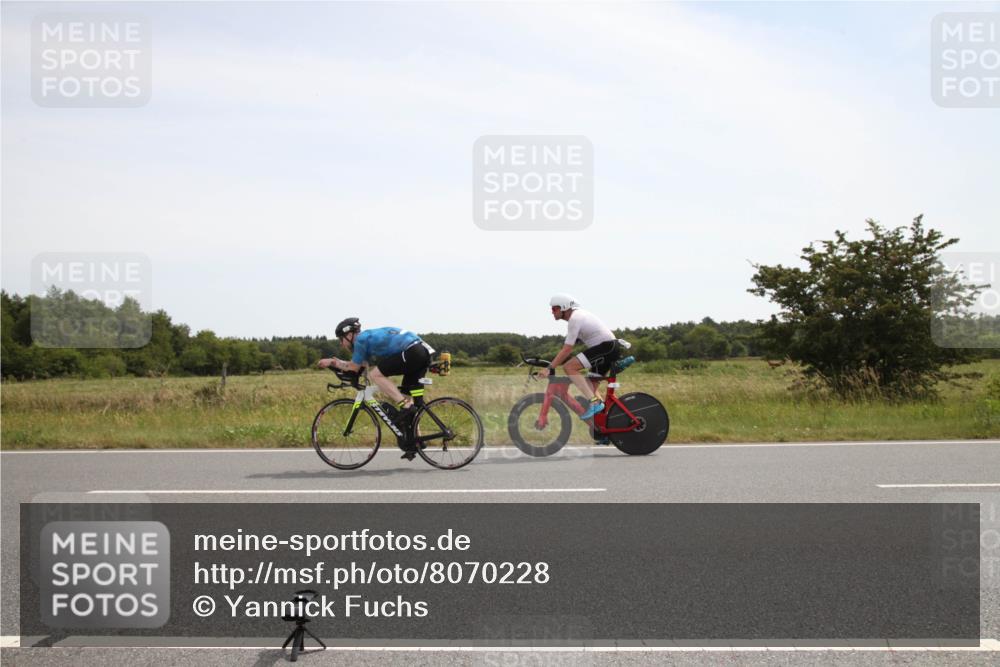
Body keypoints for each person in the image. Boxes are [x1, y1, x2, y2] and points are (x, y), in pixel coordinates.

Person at [317, 318, 434, 460]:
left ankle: (406, 406)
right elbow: (360, 366)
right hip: (421, 352)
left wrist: (332, 362)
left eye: (341, 339)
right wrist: (342, 367)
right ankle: (415, 440)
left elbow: (353, 367)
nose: (341, 344)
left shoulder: (360, 340)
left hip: (413, 351)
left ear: (350, 335)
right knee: (406, 400)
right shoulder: (366, 339)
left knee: (376, 375)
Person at [543, 294, 620, 422]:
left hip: (606, 348)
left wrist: (549, 368)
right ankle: (606, 423)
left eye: (554, 309)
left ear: (564, 307)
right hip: (608, 349)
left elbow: (567, 349)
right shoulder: (579, 317)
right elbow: (567, 346)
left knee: (569, 367)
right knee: (590, 386)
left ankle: (595, 403)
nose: (552, 312)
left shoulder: (575, 318)